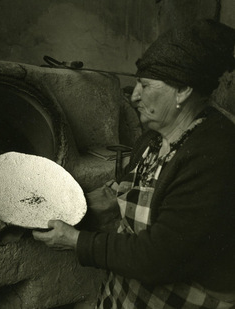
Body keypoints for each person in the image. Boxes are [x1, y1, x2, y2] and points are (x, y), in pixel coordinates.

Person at [33, 19, 235, 309]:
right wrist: (67, 209)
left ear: (183, 90)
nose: (134, 95)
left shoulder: (215, 153)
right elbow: (124, 193)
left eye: (145, 85)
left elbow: (160, 258)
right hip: (129, 292)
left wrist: (77, 241)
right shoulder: (153, 137)